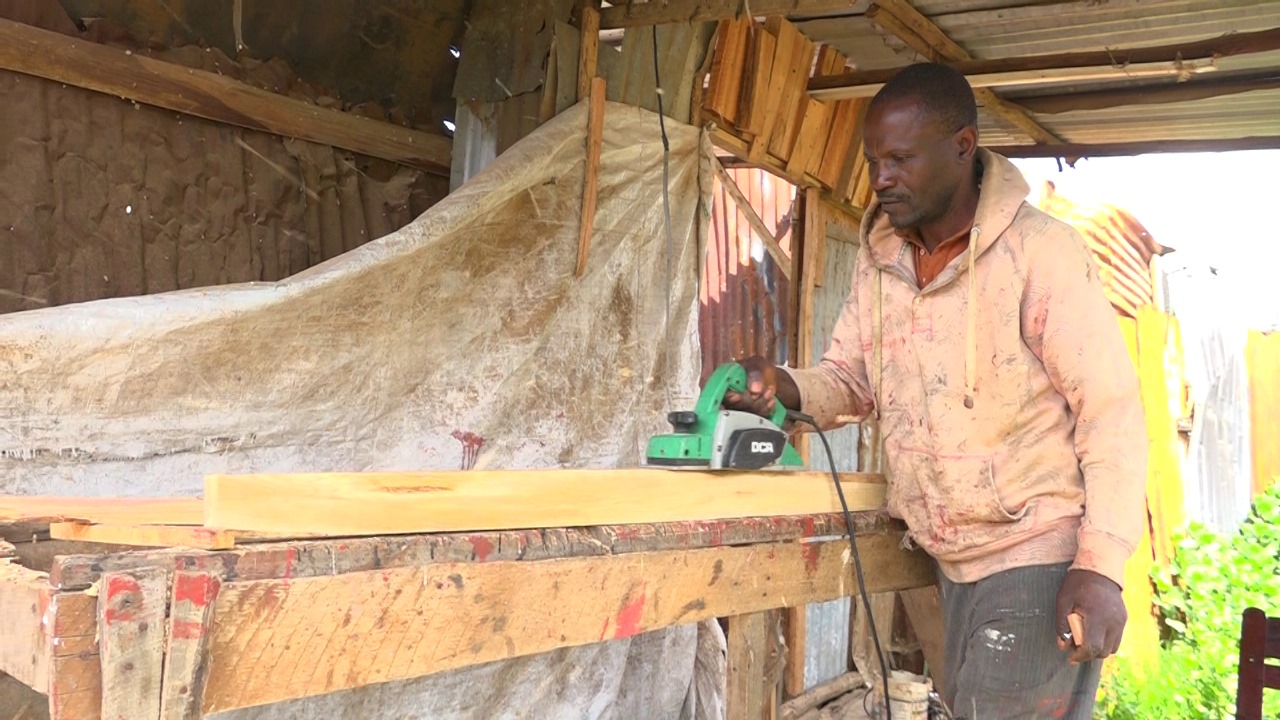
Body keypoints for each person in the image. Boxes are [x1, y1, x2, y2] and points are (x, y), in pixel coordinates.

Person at [723, 62, 1147, 719]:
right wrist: (783, 386)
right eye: (873, 160)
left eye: (900, 159)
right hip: (947, 563)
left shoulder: (1040, 252)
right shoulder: (881, 261)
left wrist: (1100, 565)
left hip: (1034, 560)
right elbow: (851, 382)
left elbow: (1110, 412)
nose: (880, 178)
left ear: (962, 146)